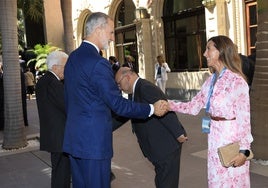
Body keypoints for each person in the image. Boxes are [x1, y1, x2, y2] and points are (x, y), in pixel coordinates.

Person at [63, 12, 167, 188]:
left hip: (75, 140)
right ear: (98, 29)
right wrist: (151, 109)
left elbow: (71, 99)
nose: (112, 38)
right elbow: (118, 105)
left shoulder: (72, 58)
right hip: (94, 145)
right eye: (111, 33)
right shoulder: (98, 63)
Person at [168, 35, 253, 187]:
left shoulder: (237, 82)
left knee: (232, 182)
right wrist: (169, 104)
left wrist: (244, 151)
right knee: (216, 181)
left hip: (231, 141)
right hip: (214, 139)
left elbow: (244, 119)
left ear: (221, 51)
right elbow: (193, 107)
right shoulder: (210, 81)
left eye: (208, 49)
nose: (204, 54)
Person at [113, 67, 188, 188]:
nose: (119, 87)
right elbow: (127, 113)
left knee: (166, 183)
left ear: (127, 77)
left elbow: (164, 108)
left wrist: (178, 132)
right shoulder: (135, 91)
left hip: (166, 148)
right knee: (162, 181)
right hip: (158, 148)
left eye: (118, 83)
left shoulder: (145, 88)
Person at [35, 51, 71, 188]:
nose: (66, 70)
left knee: (59, 171)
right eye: (65, 66)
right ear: (55, 67)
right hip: (59, 137)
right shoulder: (52, 82)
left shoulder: (45, 80)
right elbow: (66, 105)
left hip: (55, 136)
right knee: (62, 173)